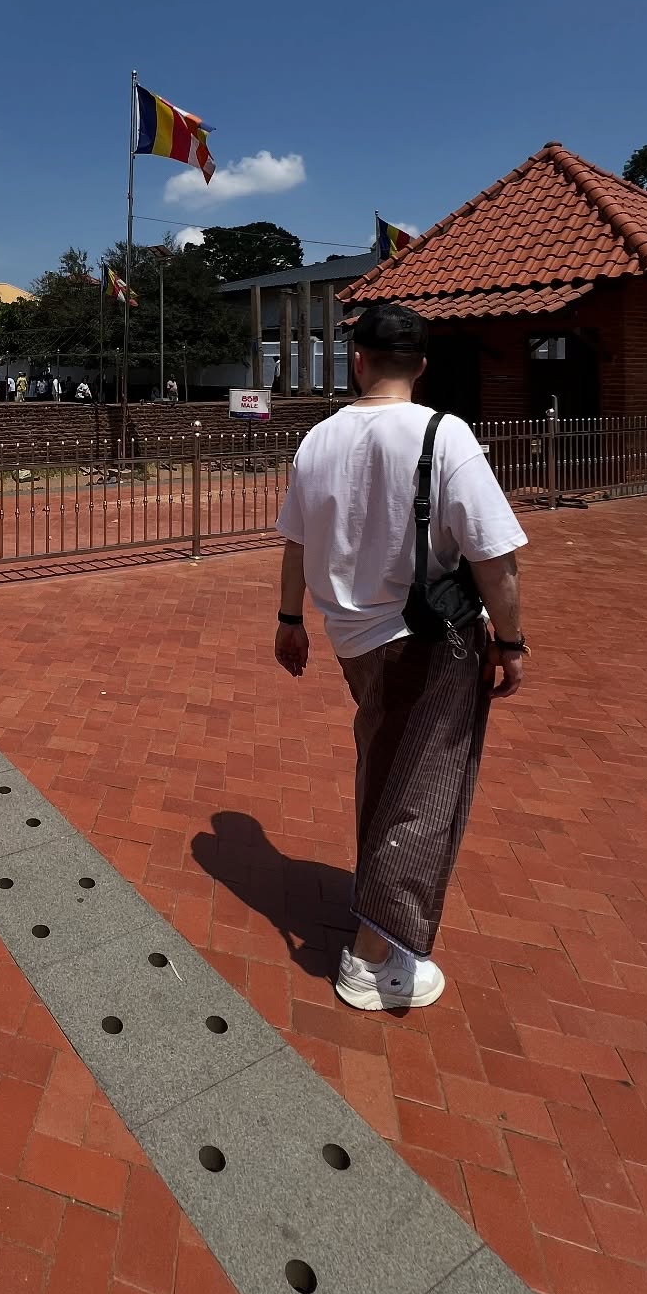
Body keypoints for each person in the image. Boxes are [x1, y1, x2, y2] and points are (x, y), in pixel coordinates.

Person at [273, 302, 528, 1014]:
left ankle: (380, 921)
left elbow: (295, 543)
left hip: (349, 638)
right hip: (426, 643)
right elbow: (494, 557)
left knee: (389, 768)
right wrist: (510, 641)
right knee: (420, 793)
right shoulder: (444, 435)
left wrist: (290, 620)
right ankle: (371, 953)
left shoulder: (317, 440)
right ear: (420, 365)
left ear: (356, 359)